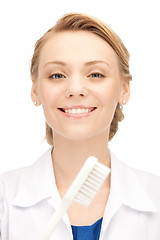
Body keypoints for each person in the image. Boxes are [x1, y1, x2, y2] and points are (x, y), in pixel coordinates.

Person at [0, 12, 160, 240]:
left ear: (124, 89)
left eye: (96, 74)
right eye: (57, 75)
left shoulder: (156, 197)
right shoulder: (4, 199)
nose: (75, 88)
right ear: (35, 91)